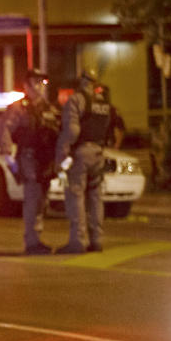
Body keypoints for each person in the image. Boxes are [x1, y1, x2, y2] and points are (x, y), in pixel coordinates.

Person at [0, 70, 60, 255]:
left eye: (42, 83)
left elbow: (58, 132)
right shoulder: (19, 108)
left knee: (42, 200)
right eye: (35, 82)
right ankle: (32, 241)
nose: (39, 86)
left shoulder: (50, 108)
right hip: (29, 158)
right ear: (26, 85)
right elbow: (5, 130)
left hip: (45, 161)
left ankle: (36, 238)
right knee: (33, 199)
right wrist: (7, 154)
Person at [56, 70, 112, 254]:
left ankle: (77, 241)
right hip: (98, 153)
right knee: (96, 198)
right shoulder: (103, 102)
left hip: (81, 154)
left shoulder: (76, 100)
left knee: (76, 196)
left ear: (82, 81)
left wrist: (62, 155)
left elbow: (71, 131)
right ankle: (97, 240)